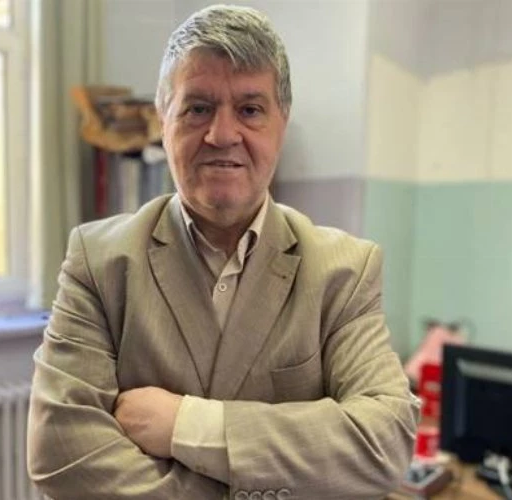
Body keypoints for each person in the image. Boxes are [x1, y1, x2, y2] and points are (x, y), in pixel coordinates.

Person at [27, 5, 419, 499]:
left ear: (281, 124)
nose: (222, 135)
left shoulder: (344, 271)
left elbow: (383, 444)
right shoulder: (99, 262)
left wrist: (187, 425)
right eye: (198, 108)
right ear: (163, 119)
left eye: (250, 109)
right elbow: (63, 457)